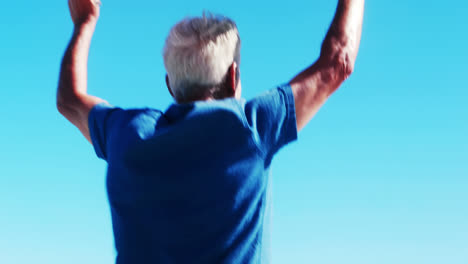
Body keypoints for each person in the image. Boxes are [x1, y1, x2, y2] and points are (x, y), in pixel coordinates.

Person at [57, 0, 365, 263]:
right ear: (233, 77)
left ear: (170, 86)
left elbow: (69, 99)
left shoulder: (125, 133)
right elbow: (339, 61)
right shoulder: (249, 127)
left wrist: (84, 21)